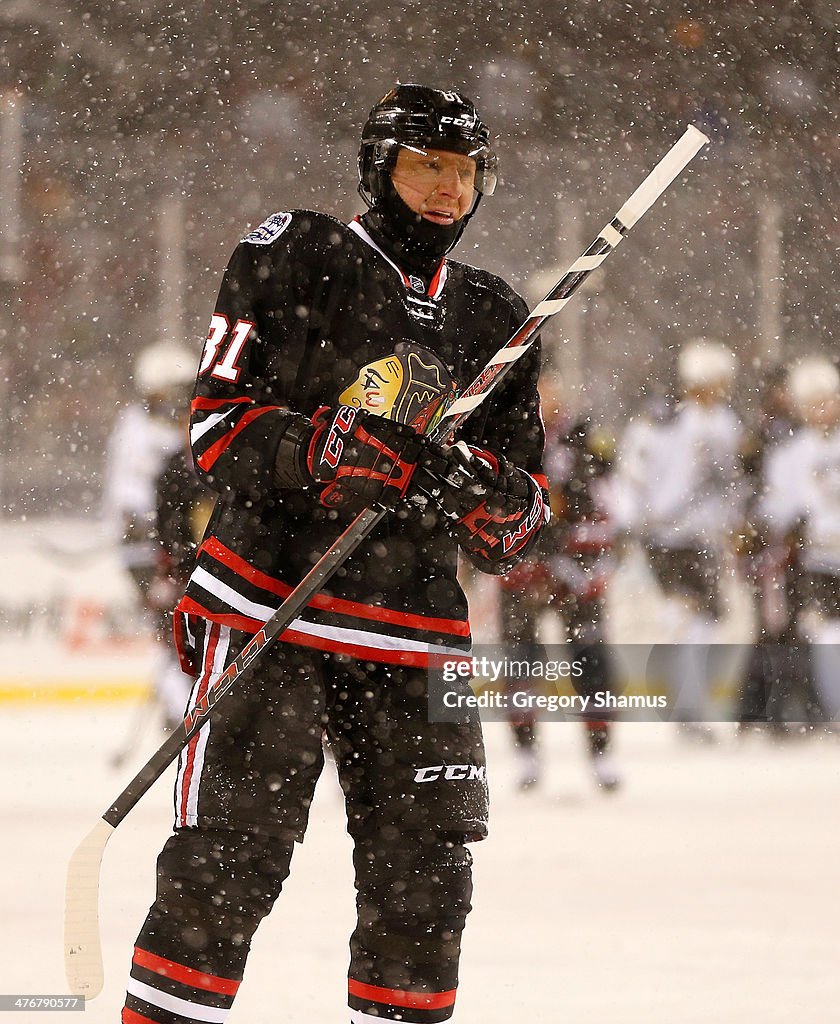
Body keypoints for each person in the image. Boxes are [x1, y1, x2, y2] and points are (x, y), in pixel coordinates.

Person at [121, 85, 548, 1024]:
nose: (447, 188)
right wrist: (325, 450)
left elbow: (520, 524)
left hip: (416, 635)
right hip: (273, 606)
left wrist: (478, 491)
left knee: (426, 883)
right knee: (227, 866)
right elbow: (218, 430)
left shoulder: (498, 316)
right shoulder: (293, 252)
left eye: (464, 171)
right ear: (377, 167)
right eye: (425, 164)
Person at [609, 338, 746, 735]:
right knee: (686, 615)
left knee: (699, 619)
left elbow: (729, 485)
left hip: (700, 537)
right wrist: (632, 519)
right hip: (671, 536)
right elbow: (633, 474)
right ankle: (686, 705)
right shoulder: (668, 422)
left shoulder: (721, 422)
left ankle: (690, 703)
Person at [497, 388, 620, 791]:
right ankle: (526, 755)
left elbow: (605, 508)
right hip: (521, 573)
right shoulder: (507, 439)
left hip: (576, 577)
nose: (546, 403)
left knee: (591, 663)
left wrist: (585, 562)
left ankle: (601, 755)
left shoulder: (584, 444)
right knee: (519, 663)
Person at [756, 354, 840, 725]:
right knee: (826, 633)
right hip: (819, 559)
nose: (823, 409)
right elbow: (776, 510)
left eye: (829, 399)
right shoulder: (789, 454)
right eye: (814, 403)